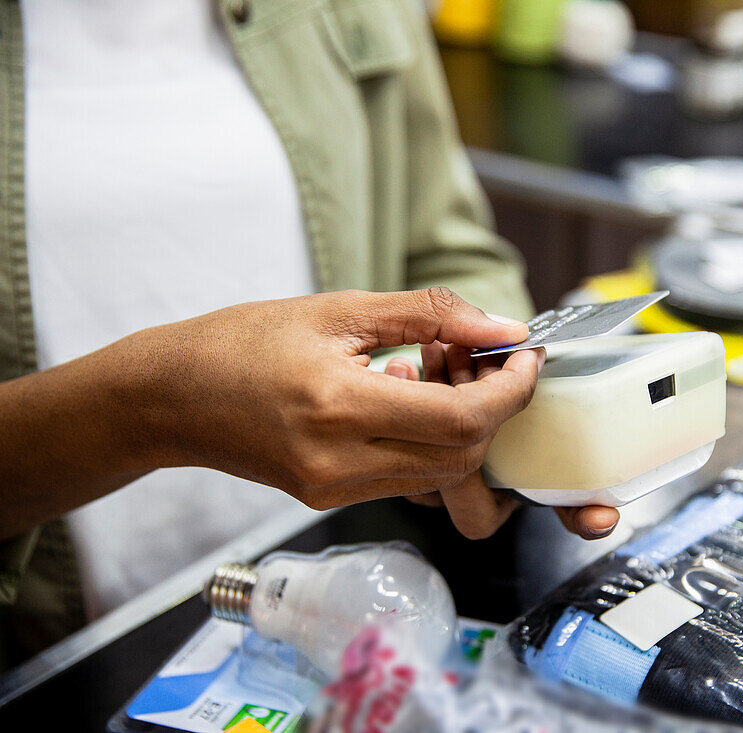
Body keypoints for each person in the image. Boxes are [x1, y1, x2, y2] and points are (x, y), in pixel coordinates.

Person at [0, 0, 618, 668]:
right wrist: (154, 412)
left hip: (352, 604)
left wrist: (451, 392)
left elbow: (450, 251)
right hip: (64, 654)